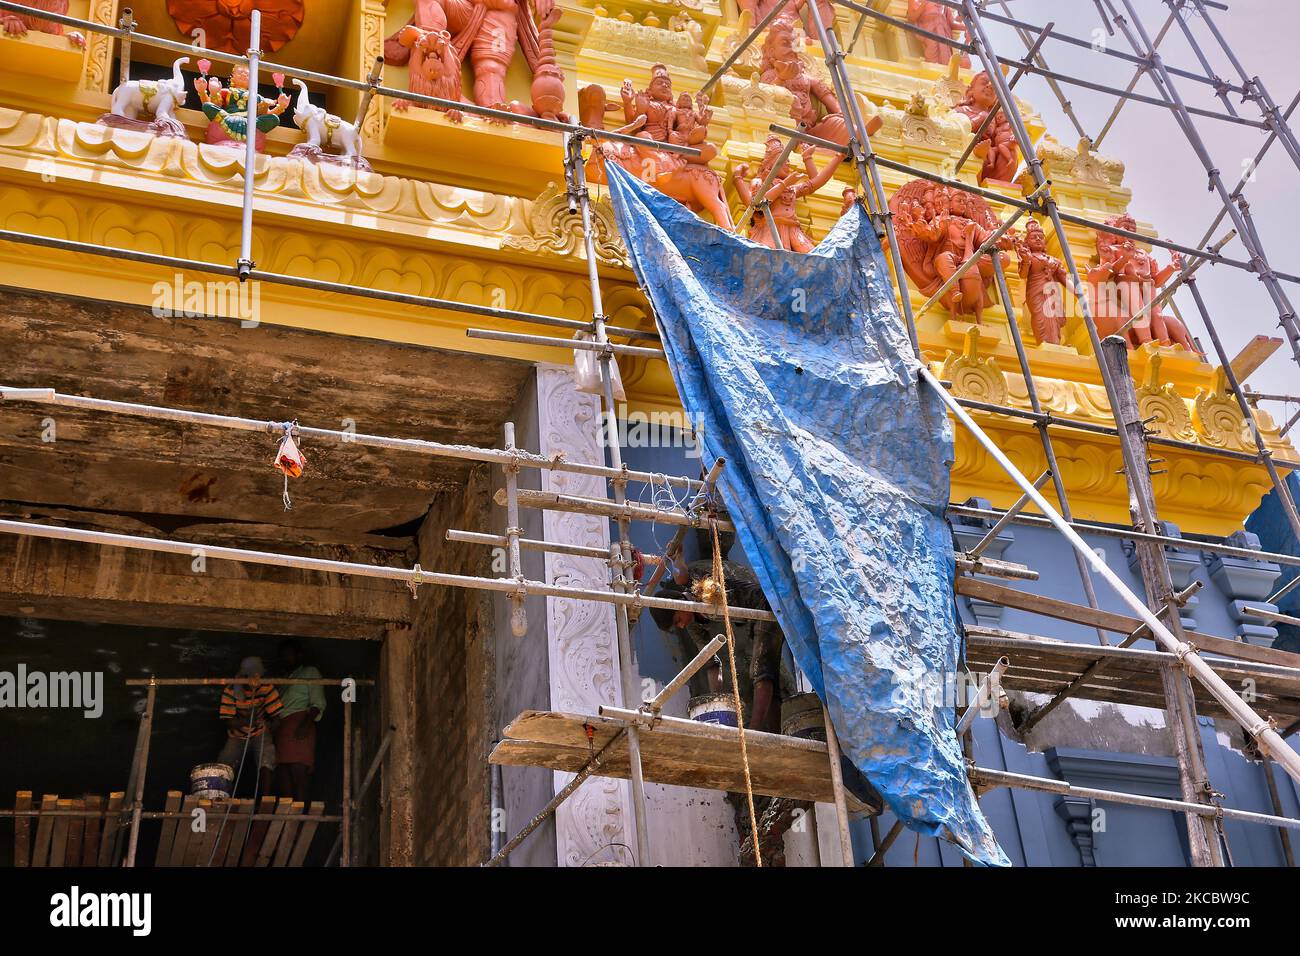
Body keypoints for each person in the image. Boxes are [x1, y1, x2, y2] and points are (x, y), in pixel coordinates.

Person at [217, 656, 283, 797]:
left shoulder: (266, 687)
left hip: (260, 730)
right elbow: (228, 721)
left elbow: (276, 718)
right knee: (225, 765)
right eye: (252, 675)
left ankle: (266, 799)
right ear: (243, 675)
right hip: (237, 735)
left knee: (267, 759)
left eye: (258, 675)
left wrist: (269, 727)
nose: (255, 679)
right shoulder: (231, 689)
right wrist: (246, 721)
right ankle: (221, 799)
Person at [273, 639, 325, 804]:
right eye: (283, 656)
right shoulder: (283, 680)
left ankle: (301, 820)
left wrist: (305, 726)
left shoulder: (310, 672)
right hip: (283, 730)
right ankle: (288, 824)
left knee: (299, 776)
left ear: (299, 655)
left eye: (288, 655)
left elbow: (318, 704)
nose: (285, 659)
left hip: (300, 725)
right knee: (283, 778)